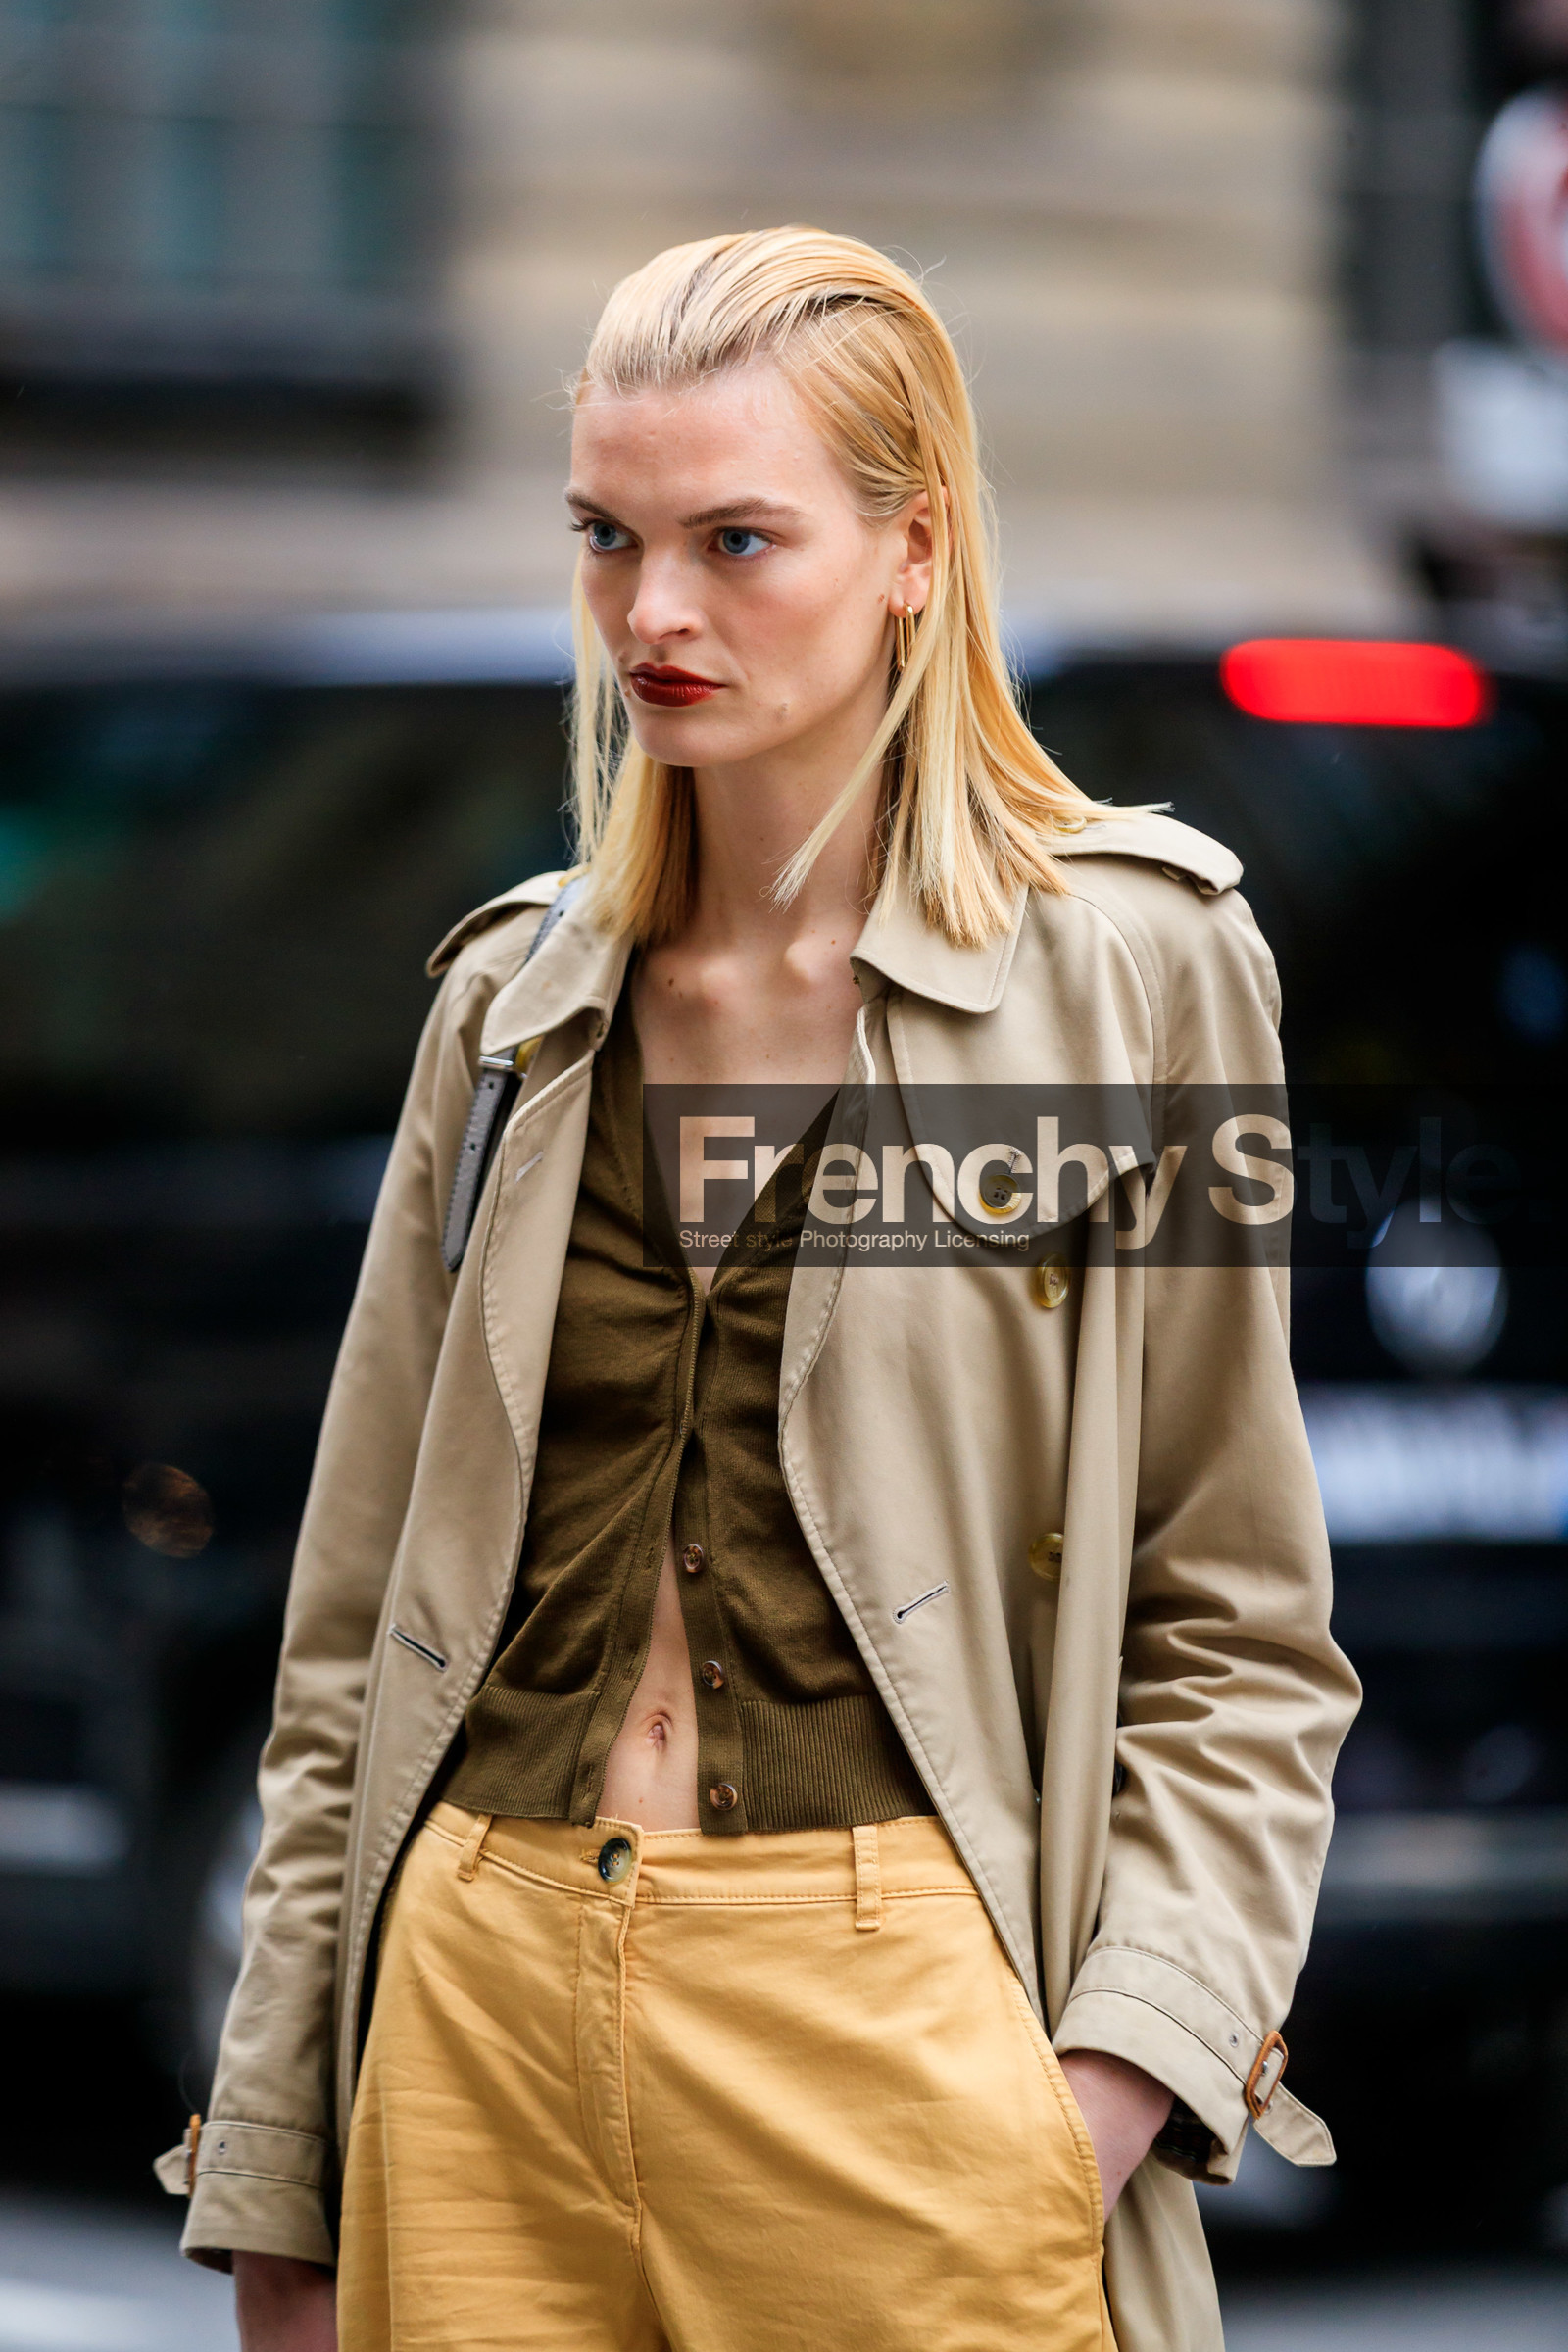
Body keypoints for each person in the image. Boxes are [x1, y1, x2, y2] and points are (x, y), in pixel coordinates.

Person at [159, 226, 1359, 2352]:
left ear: (912, 549)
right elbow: (348, 1651)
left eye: (735, 539)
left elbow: (1236, 1629)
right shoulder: (510, 1013)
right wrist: (285, 2158)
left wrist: (1084, 2098)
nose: (654, 613)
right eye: (606, 540)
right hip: (474, 2014)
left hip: (901, 2030)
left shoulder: (1136, 975)